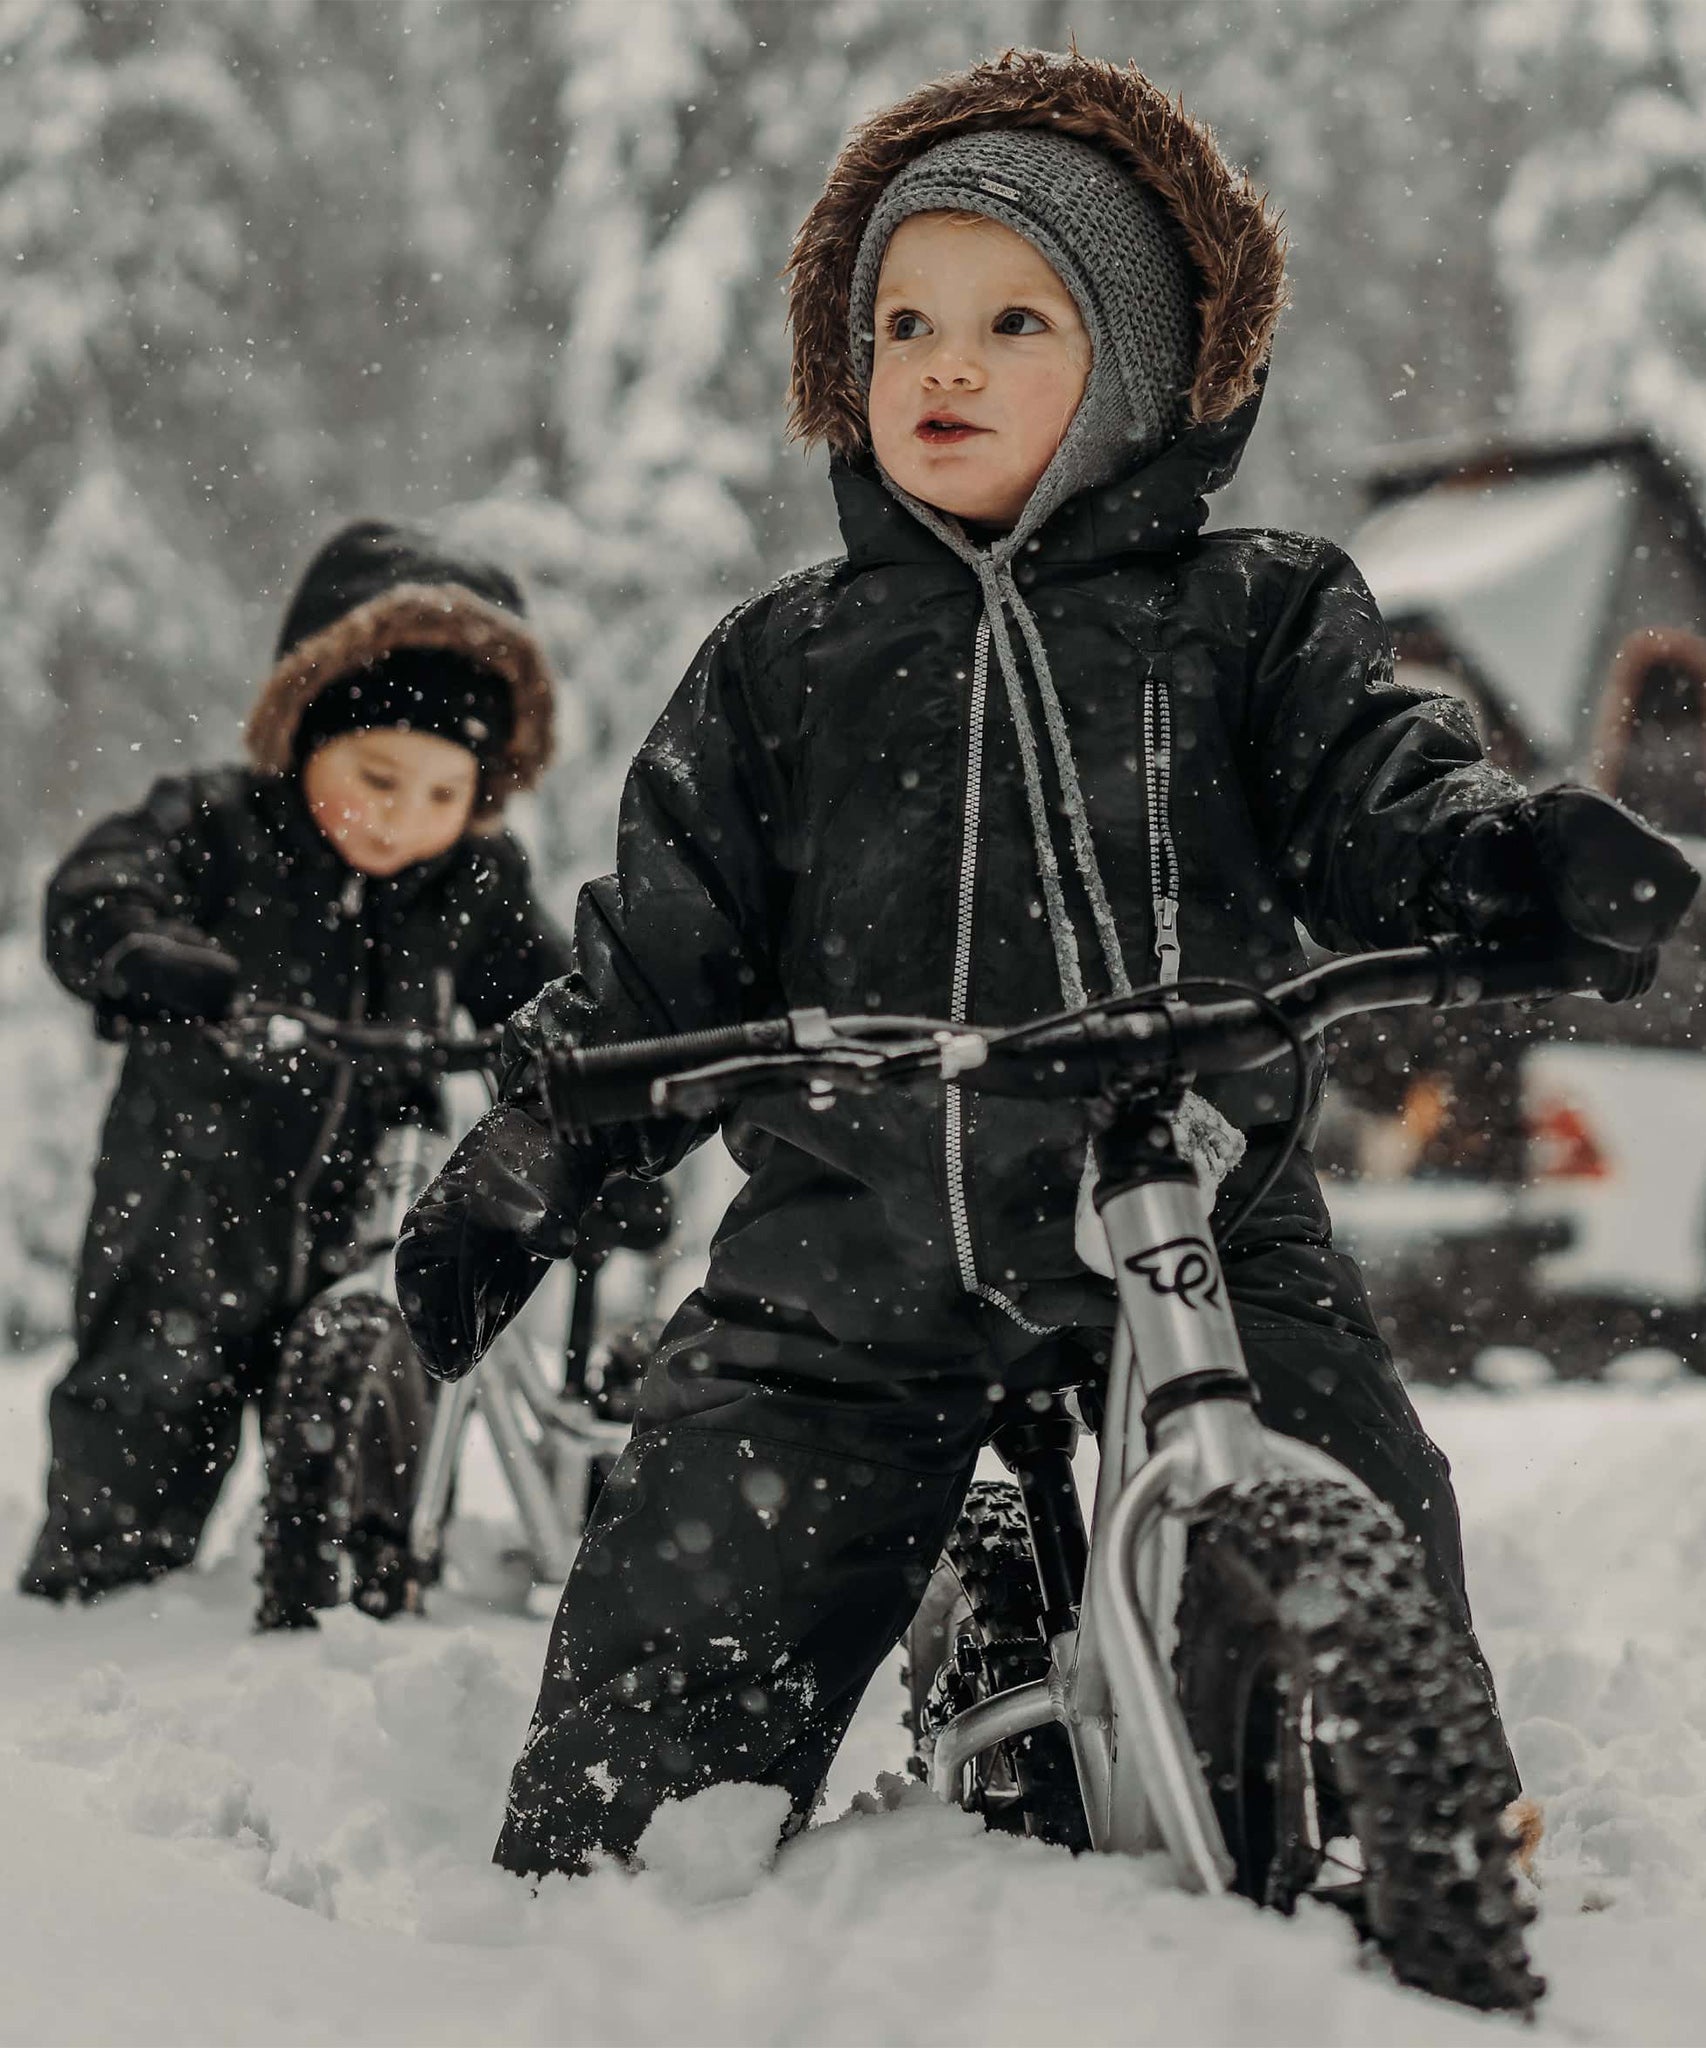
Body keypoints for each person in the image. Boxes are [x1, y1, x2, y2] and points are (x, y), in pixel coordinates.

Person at [396, 50, 1697, 1878]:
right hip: (843, 1244)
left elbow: (1373, 784)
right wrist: (535, 1147)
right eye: (903, 321)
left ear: (1144, 369)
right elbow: (660, 966)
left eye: (1015, 319)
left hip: (1193, 1210)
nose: (942, 362)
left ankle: (1389, 1809)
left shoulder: (1254, 615)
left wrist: (1494, 849)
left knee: (1351, 1505)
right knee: (653, 1691)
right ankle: (663, 1826)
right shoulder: (784, 665)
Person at [20, 519, 570, 1604]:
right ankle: (97, 1604)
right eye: (374, 775)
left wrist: (580, 1077)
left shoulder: (475, 878)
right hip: (187, 1196)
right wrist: (146, 948)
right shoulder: (219, 823)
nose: (402, 819)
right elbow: (96, 886)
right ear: (305, 728)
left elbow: (555, 996)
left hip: (372, 1205)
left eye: (442, 793)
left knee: (382, 1402)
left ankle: (362, 1588)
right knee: (143, 1408)